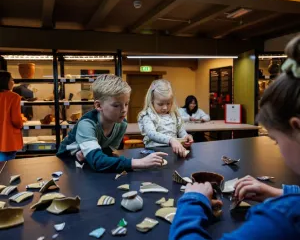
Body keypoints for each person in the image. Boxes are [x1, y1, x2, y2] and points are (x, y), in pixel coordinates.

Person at [169, 35, 300, 240]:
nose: (278, 149)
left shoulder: (281, 220)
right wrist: (278, 194)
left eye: (276, 140)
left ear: (297, 128)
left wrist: (192, 202)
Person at [57, 74, 167, 172]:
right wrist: (140, 163)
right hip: (66, 166)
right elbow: (98, 162)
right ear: (99, 106)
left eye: (126, 104)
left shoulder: (121, 124)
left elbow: (107, 152)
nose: (124, 110)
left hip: (86, 164)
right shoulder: (86, 125)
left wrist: (92, 155)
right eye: (116, 105)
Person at [138, 79, 193, 157]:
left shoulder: (174, 114)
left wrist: (185, 137)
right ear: (151, 101)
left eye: (168, 103)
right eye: (160, 104)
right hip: (153, 154)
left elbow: (181, 131)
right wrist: (171, 140)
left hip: (172, 152)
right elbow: (152, 134)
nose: (165, 107)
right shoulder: (148, 115)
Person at [0, 71, 23, 161]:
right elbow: (16, 120)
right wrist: (21, 124)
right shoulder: (13, 97)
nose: (13, 82)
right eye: (12, 79)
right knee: (6, 168)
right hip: (7, 139)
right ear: (6, 82)